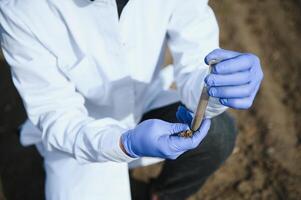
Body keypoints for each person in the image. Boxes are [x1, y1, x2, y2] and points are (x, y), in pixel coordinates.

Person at [0, 0, 263, 199]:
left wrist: (216, 87)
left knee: (216, 135)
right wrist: (124, 144)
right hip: (80, 135)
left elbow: (196, 59)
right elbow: (57, 114)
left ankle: (160, 195)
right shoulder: (21, 9)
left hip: (143, 102)